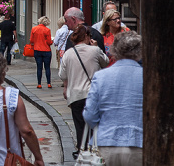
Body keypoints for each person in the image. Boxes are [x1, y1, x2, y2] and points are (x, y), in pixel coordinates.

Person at [83, 31, 143, 165]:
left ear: (114, 50)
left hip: (106, 143)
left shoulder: (101, 76)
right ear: (140, 52)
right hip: (140, 143)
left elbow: (90, 115)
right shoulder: (148, 77)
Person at [58, 25, 109, 158]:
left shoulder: (69, 53)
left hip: (75, 95)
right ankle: (95, 150)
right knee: (94, 124)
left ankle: (83, 151)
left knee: (80, 125)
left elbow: (62, 75)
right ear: (86, 36)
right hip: (93, 94)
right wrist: (96, 47)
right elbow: (106, 62)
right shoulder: (94, 51)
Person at [30, 16, 54, 88]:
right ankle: (49, 83)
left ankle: (39, 84)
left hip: (37, 50)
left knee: (39, 67)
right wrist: (50, 41)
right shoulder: (47, 30)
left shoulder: (34, 29)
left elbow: (31, 40)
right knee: (47, 67)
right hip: (46, 51)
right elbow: (49, 42)